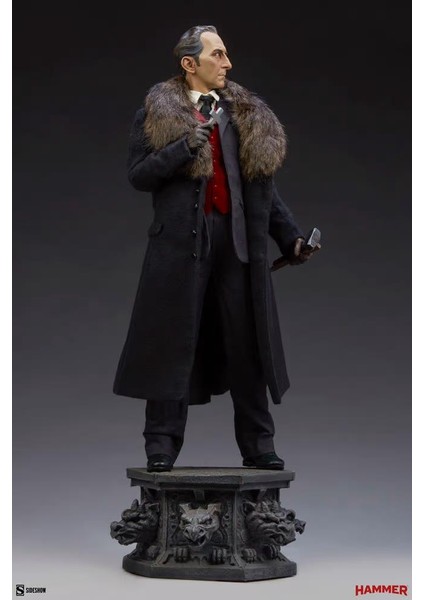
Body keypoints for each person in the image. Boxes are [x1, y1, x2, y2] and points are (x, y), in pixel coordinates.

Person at [113, 25, 318, 473]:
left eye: (225, 54)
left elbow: (260, 189)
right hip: (180, 247)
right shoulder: (158, 113)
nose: (227, 63)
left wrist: (290, 237)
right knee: (172, 343)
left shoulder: (243, 115)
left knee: (248, 344)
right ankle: (161, 445)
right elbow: (139, 175)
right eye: (218, 55)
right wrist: (182, 149)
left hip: (238, 244)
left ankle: (259, 444)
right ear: (190, 64)